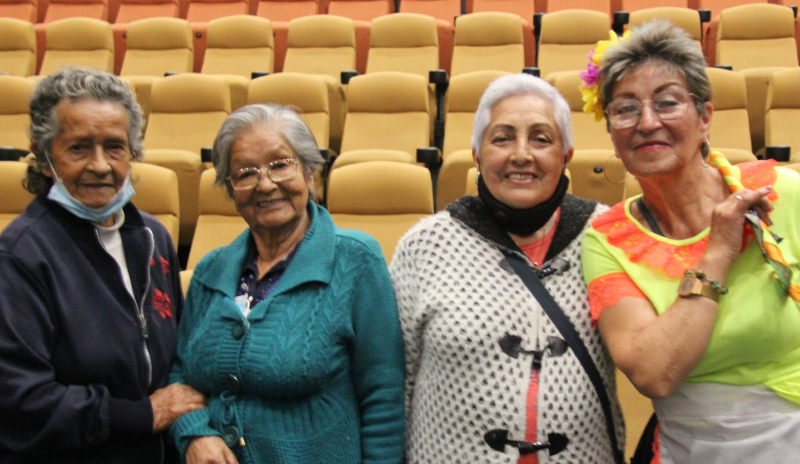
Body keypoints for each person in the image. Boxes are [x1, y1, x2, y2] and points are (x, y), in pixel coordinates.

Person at [580, 21, 800, 463]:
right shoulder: (608, 239)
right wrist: (717, 252)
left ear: (705, 118)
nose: (647, 122)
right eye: (625, 109)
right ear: (613, 137)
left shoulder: (781, 192)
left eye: (667, 103)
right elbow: (654, 374)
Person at [390, 73, 625, 464]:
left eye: (541, 139)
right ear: (477, 154)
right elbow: (397, 382)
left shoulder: (608, 238)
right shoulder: (425, 246)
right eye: (502, 138)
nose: (521, 154)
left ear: (566, 155)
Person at [169, 104, 405, 464]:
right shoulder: (210, 270)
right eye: (245, 173)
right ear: (231, 190)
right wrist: (194, 434)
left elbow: (383, 396)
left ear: (310, 174)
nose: (265, 184)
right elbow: (180, 374)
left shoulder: (356, 260)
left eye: (280, 165)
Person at [0, 67, 206, 463]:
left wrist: (194, 430)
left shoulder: (154, 237)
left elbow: (177, 360)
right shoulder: (20, 257)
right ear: (44, 157)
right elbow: (19, 399)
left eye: (115, 147)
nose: (100, 165)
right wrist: (142, 415)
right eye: (79, 148)